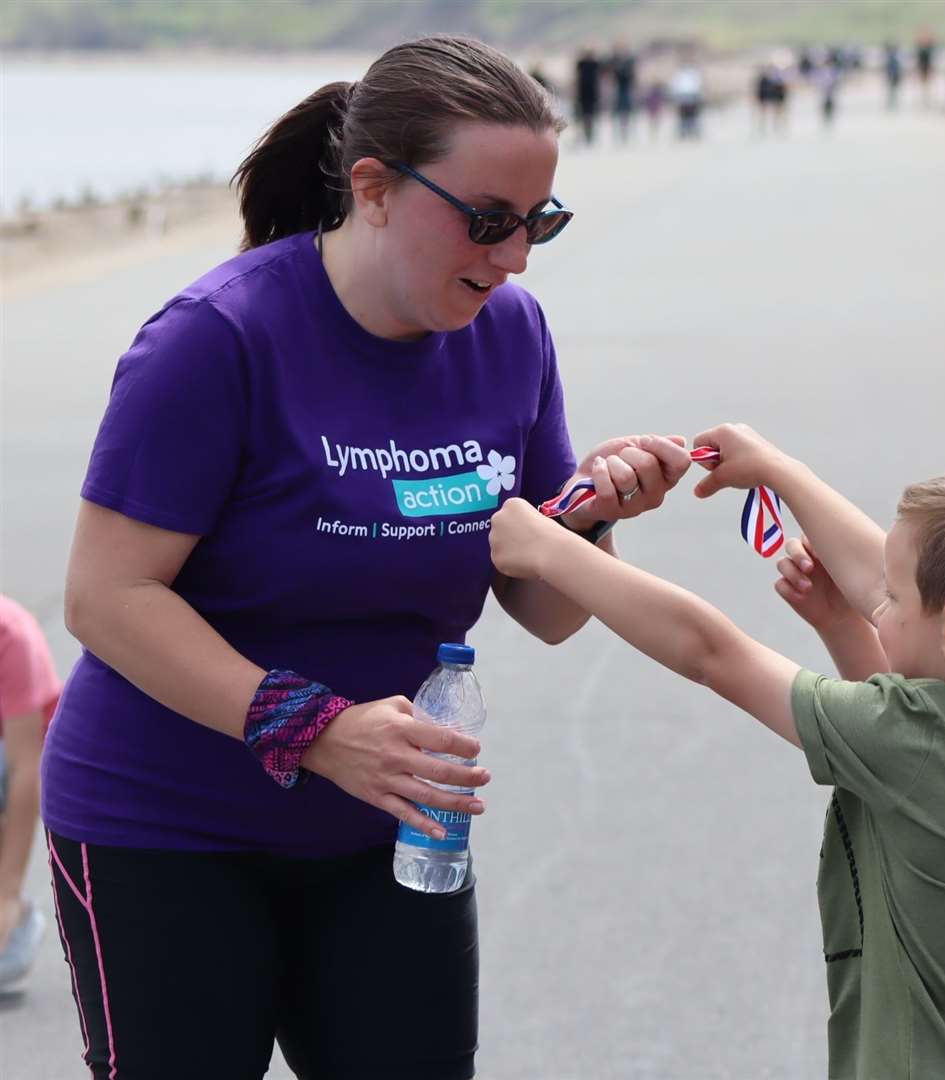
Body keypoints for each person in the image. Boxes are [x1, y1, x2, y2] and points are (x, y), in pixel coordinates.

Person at [42, 34, 690, 1080]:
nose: (515, 255)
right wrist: (315, 727)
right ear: (374, 188)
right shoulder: (218, 339)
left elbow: (548, 607)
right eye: (487, 222)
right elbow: (107, 598)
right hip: (163, 828)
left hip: (391, 834)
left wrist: (589, 518)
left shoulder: (511, 332)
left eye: (541, 223)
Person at [491, 434, 945, 1079]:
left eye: (892, 597)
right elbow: (902, 752)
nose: (875, 598)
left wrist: (550, 551)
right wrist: (789, 495)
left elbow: (711, 652)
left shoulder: (918, 739)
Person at [0, 594, 62, 988]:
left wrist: (7, 893)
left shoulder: (11, 636)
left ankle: (18, 917)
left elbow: (27, 766)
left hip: (26, 751)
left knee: (6, 966)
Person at [574, 45, 603, 145]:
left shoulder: (595, 63)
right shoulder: (581, 63)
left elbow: (600, 77)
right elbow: (576, 78)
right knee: (583, 116)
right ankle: (585, 136)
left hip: (592, 93)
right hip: (583, 93)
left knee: (591, 116)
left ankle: (590, 136)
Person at [609, 41, 637, 143]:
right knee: (617, 113)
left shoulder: (629, 60)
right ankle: (618, 134)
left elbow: (632, 75)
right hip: (618, 89)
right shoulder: (615, 61)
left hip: (626, 89)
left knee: (628, 113)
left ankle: (627, 133)